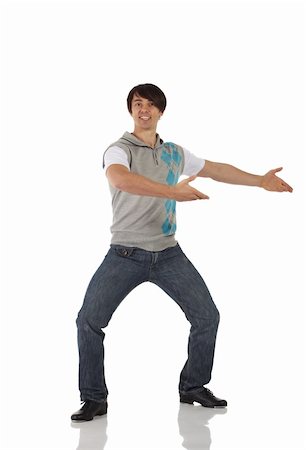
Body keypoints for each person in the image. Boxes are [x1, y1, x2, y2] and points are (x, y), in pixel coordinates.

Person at [71, 83, 293, 422]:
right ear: (130, 110)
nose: (143, 110)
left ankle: (193, 386)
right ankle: (94, 398)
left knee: (207, 317)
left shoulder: (174, 152)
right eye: (137, 103)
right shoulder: (119, 149)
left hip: (168, 254)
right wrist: (170, 191)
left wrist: (259, 180)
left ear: (161, 111)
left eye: (150, 105)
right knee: (88, 321)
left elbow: (216, 169)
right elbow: (120, 180)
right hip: (124, 254)